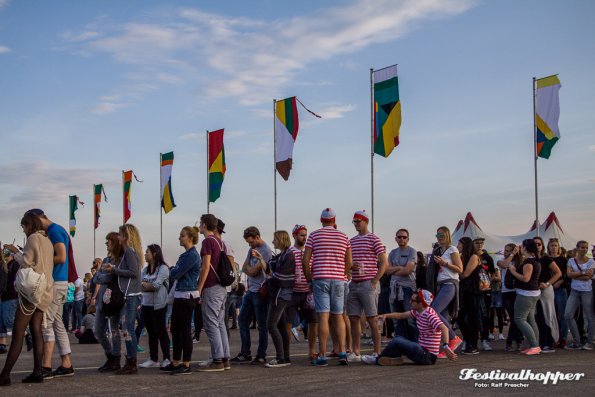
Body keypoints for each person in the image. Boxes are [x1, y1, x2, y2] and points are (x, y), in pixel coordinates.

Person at [0, 212, 54, 385]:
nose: (23, 230)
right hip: (45, 291)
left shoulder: (32, 238)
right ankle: (38, 372)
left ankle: (5, 374)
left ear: (29, 225)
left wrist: (15, 251)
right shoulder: (47, 240)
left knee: (18, 332)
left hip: (32, 291)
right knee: (36, 331)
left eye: (23, 226)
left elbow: (26, 262)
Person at [25, 209, 74, 379]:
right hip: (61, 281)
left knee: (46, 323)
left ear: (39, 218)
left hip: (56, 282)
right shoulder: (57, 230)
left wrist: (40, 260)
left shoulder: (54, 231)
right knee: (58, 323)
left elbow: (61, 256)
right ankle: (66, 363)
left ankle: (45, 366)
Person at [302, 208, 352, 366]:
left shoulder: (314, 236)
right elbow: (349, 262)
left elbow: (305, 261)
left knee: (323, 317)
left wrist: (310, 279)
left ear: (321, 220)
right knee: (338, 316)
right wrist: (342, 274)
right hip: (338, 280)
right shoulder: (344, 236)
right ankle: (343, 352)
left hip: (320, 279)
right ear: (334, 220)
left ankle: (322, 355)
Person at [361, 290, 457, 366]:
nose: (410, 301)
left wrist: (445, 347)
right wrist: (385, 315)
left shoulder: (429, 314)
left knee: (398, 340)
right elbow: (401, 315)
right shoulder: (418, 311)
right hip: (422, 351)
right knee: (399, 339)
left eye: (413, 300)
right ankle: (393, 359)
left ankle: (377, 359)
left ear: (420, 303)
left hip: (428, 356)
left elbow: (444, 328)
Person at [346, 210, 387, 362]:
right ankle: (355, 351)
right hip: (355, 283)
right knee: (354, 318)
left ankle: (377, 351)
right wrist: (350, 269)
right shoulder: (352, 241)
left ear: (365, 221)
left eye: (358, 221)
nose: (356, 224)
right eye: (354, 221)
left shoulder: (374, 239)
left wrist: (375, 280)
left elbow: (384, 261)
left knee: (372, 318)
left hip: (368, 282)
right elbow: (347, 262)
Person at [103, 224, 144, 374]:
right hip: (129, 295)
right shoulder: (129, 252)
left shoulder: (129, 253)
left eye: (120, 235)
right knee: (127, 329)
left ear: (126, 236)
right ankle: (130, 361)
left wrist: (114, 270)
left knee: (128, 330)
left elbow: (133, 272)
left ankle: (131, 362)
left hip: (131, 296)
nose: (118, 237)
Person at [251, 231, 294, 368]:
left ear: (281, 239)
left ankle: (281, 358)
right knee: (280, 326)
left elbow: (281, 277)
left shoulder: (288, 256)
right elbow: (270, 270)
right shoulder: (282, 255)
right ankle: (285, 357)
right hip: (280, 294)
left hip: (280, 295)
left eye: (275, 239)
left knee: (271, 324)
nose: (273, 241)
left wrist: (270, 278)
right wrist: (261, 259)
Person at [161, 226, 200, 375]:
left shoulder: (191, 255)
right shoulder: (186, 255)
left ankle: (186, 364)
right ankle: (176, 362)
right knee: (176, 330)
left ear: (190, 238)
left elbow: (176, 273)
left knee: (183, 331)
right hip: (181, 295)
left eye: (182, 235)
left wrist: (173, 270)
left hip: (187, 295)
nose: (179, 238)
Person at [231, 226, 272, 365]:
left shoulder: (266, 251)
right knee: (242, 320)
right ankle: (245, 352)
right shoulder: (251, 250)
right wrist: (249, 269)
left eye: (251, 242)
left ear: (257, 237)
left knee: (262, 325)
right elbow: (244, 267)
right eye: (248, 243)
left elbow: (254, 271)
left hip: (260, 292)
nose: (250, 245)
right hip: (250, 291)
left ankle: (261, 355)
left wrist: (250, 269)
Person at [197, 214, 231, 373]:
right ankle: (225, 358)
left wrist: (199, 289)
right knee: (220, 323)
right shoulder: (220, 242)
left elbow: (205, 266)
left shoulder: (207, 242)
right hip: (222, 288)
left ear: (204, 225)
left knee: (211, 324)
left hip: (211, 286)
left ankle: (217, 360)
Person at [426, 227, 463, 354]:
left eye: (441, 235)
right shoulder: (438, 250)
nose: (439, 237)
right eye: (437, 235)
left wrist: (445, 263)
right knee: (444, 316)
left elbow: (460, 269)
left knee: (433, 312)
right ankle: (446, 346)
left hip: (449, 284)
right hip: (440, 285)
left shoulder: (452, 249)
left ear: (447, 235)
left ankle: (454, 338)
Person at [93, 233, 123, 372]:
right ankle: (110, 355)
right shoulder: (106, 259)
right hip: (101, 300)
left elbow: (108, 277)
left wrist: (104, 276)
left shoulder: (119, 260)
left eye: (109, 242)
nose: (106, 244)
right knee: (98, 330)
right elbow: (96, 278)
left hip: (114, 300)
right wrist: (104, 276)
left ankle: (116, 359)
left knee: (115, 330)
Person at [286, 225, 318, 360]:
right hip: (292, 292)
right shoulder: (289, 252)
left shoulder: (310, 252)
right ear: (294, 236)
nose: (304, 237)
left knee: (313, 321)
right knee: (287, 322)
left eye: (306, 235)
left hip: (307, 292)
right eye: (301, 235)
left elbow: (315, 267)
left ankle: (311, 351)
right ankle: (285, 353)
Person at [507, 239, 542, 355]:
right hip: (533, 293)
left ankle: (535, 345)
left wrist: (513, 272)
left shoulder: (529, 262)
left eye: (521, 246)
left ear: (526, 248)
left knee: (519, 319)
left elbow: (525, 278)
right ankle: (535, 344)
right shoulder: (535, 261)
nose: (520, 248)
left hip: (526, 294)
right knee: (531, 319)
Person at [138, 244, 171, 369]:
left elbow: (156, 285)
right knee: (151, 332)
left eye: (147, 252)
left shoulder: (163, 268)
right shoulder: (145, 270)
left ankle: (167, 358)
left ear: (154, 254)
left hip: (159, 305)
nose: (145, 254)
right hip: (146, 304)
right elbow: (140, 285)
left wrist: (146, 285)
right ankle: (153, 358)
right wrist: (147, 286)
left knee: (161, 332)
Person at [385, 228, 417, 341]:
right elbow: (387, 270)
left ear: (408, 239)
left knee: (410, 318)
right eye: (399, 237)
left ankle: (414, 344)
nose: (401, 239)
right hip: (394, 289)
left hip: (407, 288)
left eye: (404, 237)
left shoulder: (412, 251)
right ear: (395, 239)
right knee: (397, 319)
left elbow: (408, 270)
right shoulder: (393, 252)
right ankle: (400, 344)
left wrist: (395, 269)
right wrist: (400, 267)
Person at [564, 240, 595, 350]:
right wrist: (582, 272)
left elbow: (589, 277)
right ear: (577, 248)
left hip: (587, 291)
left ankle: (589, 342)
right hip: (574, 290)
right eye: (582, 247)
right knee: (568, 315)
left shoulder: (591, 261)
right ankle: (576, 341)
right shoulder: (571, 260)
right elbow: (569, 274)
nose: (585, 249)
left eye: (586, 248)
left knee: (590, 316)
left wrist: (575, 275)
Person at [533, 236, 561, 353]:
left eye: (539, 244)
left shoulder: (546, 258)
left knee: (547, 315)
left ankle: (549, 343)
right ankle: (540, 342)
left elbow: (558, 273)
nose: (537, 246)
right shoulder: (529, 258)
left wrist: (548, 283)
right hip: (533, 290)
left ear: (542, 245)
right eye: (534, 244)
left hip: (545, 290)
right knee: (536, 315)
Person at [457, 237, 483, 355]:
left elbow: (465, 274)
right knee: (460, 318)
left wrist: (453, 268)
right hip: (464, 291)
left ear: (465, 245)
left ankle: (473, 344)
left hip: (472, 291)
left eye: (460, 244)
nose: (458, 246)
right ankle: (468, 341)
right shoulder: (462, 257)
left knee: (471, 318)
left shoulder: (474, 257)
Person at [497, 243, 523, 352]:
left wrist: (518, 253)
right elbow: (503, 265)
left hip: (518, 291)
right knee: (513, 317)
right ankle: (513, 341)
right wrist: (512, 254)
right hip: (506, 292)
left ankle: (517, 340)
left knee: (518, 318)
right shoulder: (501, 260)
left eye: (509, 250)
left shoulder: (520, 261)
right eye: (506, 250)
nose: (506, 252)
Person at [473, 238, 496, 351]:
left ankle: (484, 340)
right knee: (473, 316)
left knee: (485, 315)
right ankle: (471, 341)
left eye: (481, 243)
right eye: (477, 243)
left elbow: (492, 273)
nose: (479, 245)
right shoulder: (470, 256)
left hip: (485, 291)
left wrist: (487, 283)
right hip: (473, 291)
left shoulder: (488, 258)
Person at [547, 238, 569, 347]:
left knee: (562, 314)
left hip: (560, 289)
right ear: (548, 247)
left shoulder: (563, 260)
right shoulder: (546, 259)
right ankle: (553, 337)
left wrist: (560, 281)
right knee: (551, 314)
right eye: (552, 245)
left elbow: (566, 274)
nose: (554, 247)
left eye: (556, 245)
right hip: (549, 289)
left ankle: (563, 338)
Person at [0, 252, 19, 355]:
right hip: (4, 297)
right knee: (1, 321)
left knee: (9, 321)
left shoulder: (14, 264)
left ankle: (26, 333)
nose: (6, 257)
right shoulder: (6, 264)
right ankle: (2, 343)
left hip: (11, 296)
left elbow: (14, 281)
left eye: (7, 255)